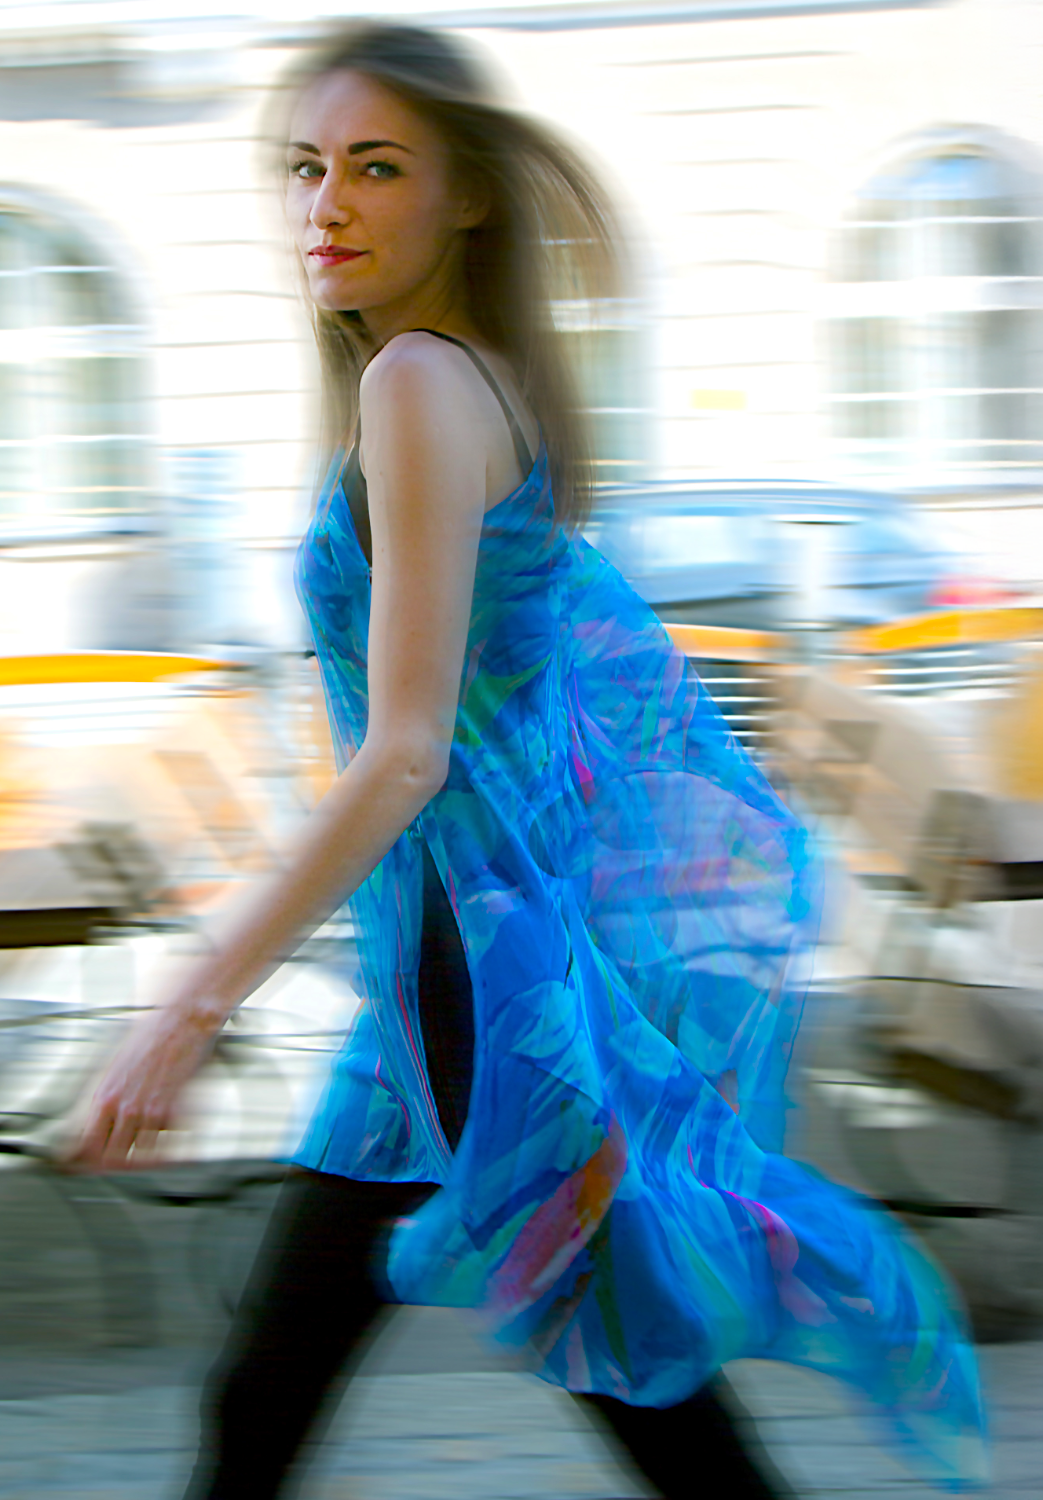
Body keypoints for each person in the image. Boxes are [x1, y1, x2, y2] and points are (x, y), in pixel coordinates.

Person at [74, 22, 986, 1500]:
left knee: (518, 1398)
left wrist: (184, 1009)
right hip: (442, 982)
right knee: (281, 1399)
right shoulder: (467, 380)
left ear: (465, 195)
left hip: (465, 990)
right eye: (306, 169)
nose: (327, 205)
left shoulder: (417, 387)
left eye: (376, 167)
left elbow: (406, 754)